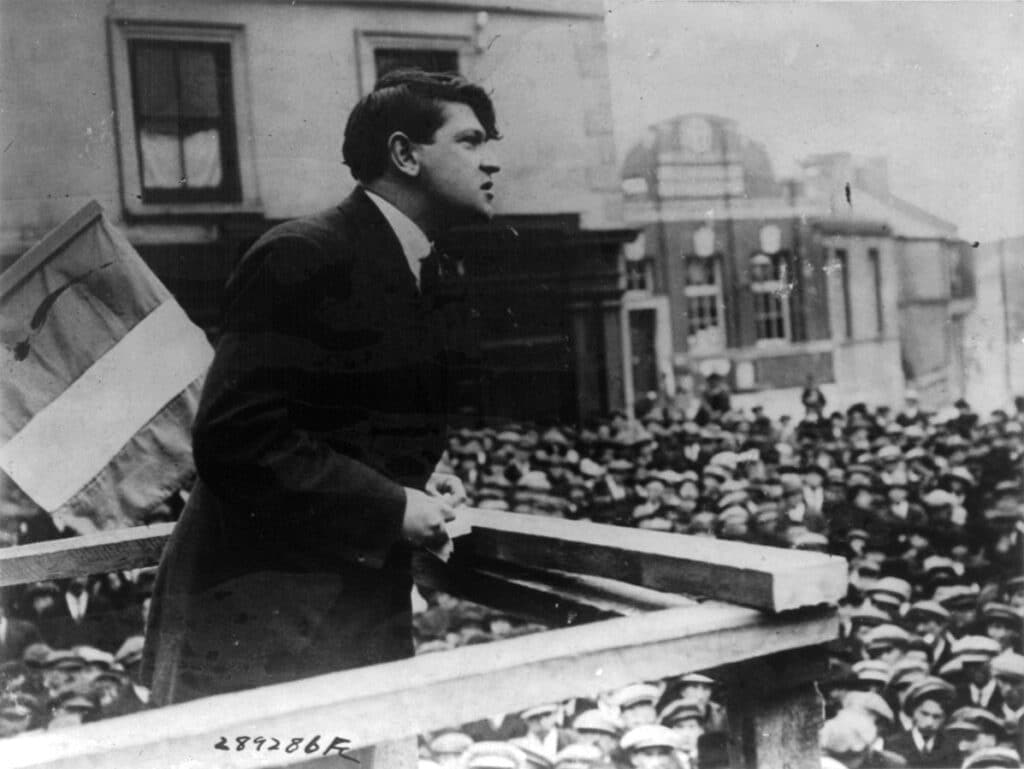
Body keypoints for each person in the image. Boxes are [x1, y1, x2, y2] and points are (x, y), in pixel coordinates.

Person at [142, 70, 501, 709]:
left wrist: (417, 477)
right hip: (257, 622)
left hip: (349, 611)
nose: (491, 161)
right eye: (471, 142)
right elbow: (236, 438)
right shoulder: (301, 256)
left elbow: (335, 416)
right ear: (404, 154)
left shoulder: (427, 265)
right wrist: (391, 504)